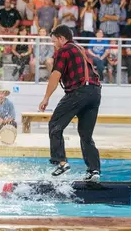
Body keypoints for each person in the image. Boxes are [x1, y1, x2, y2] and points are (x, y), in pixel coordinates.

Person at [38, 24, 102, 182]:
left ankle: (61, 162)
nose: (54, 45)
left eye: (54, 42)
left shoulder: (65, 49)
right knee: (86, 135)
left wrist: (46, 98)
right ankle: (94, 171)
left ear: (61, 38)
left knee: (54, 124)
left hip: (79, 92)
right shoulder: (79, 48)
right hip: (95, 92)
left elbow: (55, 75)